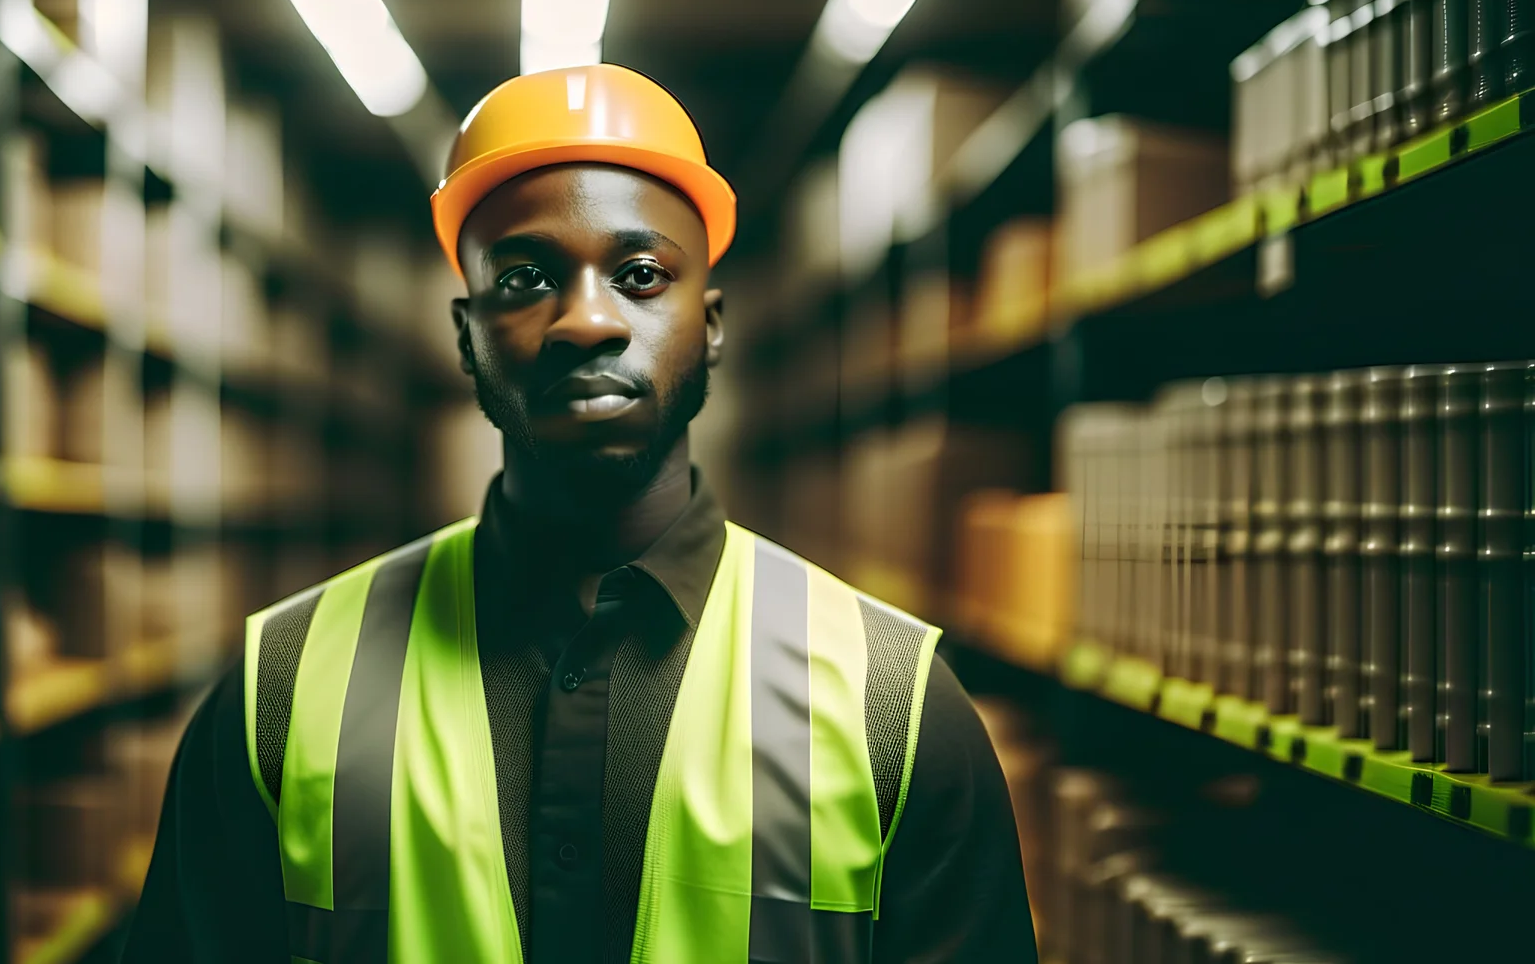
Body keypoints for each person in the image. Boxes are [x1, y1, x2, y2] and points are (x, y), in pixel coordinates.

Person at [122, 63, 1036, 963]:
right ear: (466, 333)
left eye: (641, 273)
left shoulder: (892, 706)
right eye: (523, 279)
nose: (585, 321)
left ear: (710, 324)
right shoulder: (277, 690)